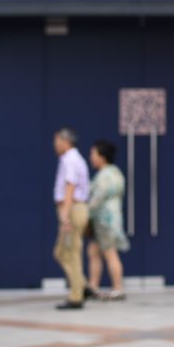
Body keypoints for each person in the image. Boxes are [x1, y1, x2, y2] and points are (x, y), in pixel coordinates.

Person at [84, 139, 130, 301]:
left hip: (105, 221)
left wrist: (85, 213)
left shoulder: (105, 176)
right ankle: (93, 287)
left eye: (93, 154)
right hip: (110, 219)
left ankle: (118, 288)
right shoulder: (116, 172)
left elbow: (97, 198)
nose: (91, 157)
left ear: (101, 156)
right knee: (93, 251)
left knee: (110, 253)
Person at [51, 128, 90, 310]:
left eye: (57, 141)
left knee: (70, 252)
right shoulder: (71, 159)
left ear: (66, 141)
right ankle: (81, 284)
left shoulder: (70, 160)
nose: (55, 145)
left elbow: (70, 186)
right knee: (63, 252)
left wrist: (65, 213)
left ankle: (76, 295)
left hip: (73, 208)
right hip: (73, 208)